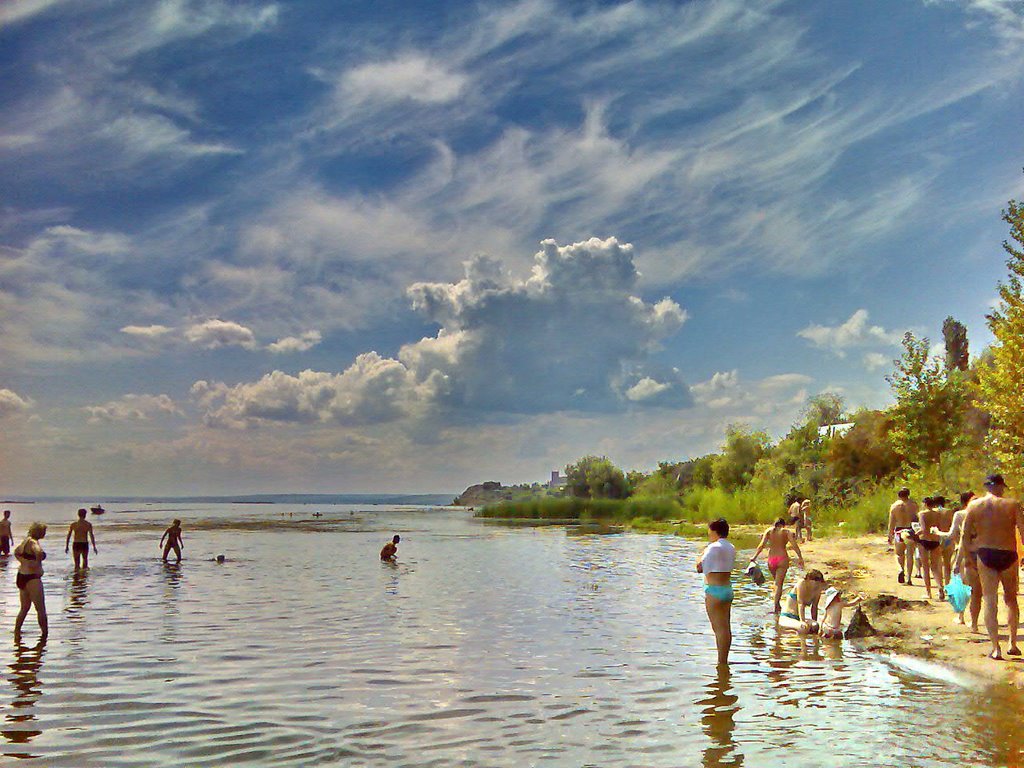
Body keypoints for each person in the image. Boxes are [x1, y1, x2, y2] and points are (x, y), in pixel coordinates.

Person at [961, 474, 1024, 660]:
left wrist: (968, 558)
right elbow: (1022, 530)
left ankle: (996, 648)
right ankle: (1012, 643)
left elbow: (965, 535)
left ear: (986, 487)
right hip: (1008, 553)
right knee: (1011, 600)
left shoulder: (974, 505)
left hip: (986, 553)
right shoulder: (1012, 505)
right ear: (999, 487)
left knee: (990, 600)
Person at [696, 518, 736, 665]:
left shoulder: (712, 547)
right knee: (726, 628)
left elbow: (699, 568)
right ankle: (724, 662)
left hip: (714, 590)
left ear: (714, 531)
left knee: (718, 629)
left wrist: (701, 554)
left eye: (709, 530)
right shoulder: (731, 547)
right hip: (727, 588)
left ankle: (721, 663)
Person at [749, 517, 805, 614]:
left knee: (776, 583)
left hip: (771, 560)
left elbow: (761, 545)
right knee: (779, 584)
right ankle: (776, 607)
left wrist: (754, 557)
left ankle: (777, 604)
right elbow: (794, 545)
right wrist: (800, 557)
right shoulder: (786, 532)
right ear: (783, 525)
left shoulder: (768, 531)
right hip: (782, 558)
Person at [950, 491, 981, 630]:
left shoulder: (961, 515)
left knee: (963, 587)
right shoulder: (987, 518)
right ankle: (974, 622)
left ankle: (961, 616)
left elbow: (961, 539)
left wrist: (957, 562)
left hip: (967, 554)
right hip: (985, 554)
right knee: (980, 592)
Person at [14, 523, 48, 639]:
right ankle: (44, 636)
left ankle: (17, 633)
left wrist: (22, 561)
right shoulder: (34, 542)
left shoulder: (25, 540)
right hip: (32, 577)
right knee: (41, 609)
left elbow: (16, 552)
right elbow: (38, 552)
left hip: (21, 575)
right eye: (43, 531)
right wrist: (38, 565)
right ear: (39, 532)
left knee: (24, 608)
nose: (45, 534)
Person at [778, 569, 828, 634]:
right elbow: (800, 603)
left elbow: (814, 608)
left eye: (819, 580)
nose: (817, 583)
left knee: (815, 626)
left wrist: (814, 622)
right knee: (803, 628)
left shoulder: (817, 589)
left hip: (798, 618)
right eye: (816, 580)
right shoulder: (802, 583)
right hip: (787, 617)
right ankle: (791, 634)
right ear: (808, 579)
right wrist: (802, 621)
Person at [887, 487, 919, 585]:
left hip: (899, 531)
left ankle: (901, 569)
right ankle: (909, 578)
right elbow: (916, 520)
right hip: (910, 530)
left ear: (898, 495)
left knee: (899, 554)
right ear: (908, 494)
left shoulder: (894, 506)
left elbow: (891, 522)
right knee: (910, 555)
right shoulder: (914, 505)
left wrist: (890, 535)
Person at [917, 496, 946, 602]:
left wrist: (914, 534)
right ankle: (940, 588)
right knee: (935, 567)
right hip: (935, 540)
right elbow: (939, 528)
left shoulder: (922, 514)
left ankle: (928, 592)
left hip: (924, 540)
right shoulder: (938, 514)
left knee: (925, 567)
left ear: (924, 504)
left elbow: (924, 529)